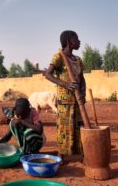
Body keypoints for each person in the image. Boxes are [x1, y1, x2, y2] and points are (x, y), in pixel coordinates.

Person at [45, 30, 86, 162]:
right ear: (69, 41)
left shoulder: (78, 60)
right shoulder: (58, 57)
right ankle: (61, 155)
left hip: (77, 100)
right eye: (77, 39)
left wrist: (83, 93)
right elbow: (48, 74)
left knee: (79, 127)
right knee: (64, 129)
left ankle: (82, 154)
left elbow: (82, 78)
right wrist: (65, 84)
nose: (79, 41)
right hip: (64, 101)